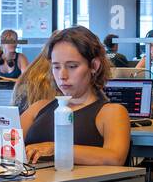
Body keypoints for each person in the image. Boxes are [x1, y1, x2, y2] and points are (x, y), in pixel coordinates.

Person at [21, 26, 130, 166]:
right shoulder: (39, 107)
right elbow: (5, 140)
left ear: (94, 66)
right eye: (56, 67)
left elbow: (115, 158)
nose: (62, 76)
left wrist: (56, 148)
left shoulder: (111, 112)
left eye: (72, 66)